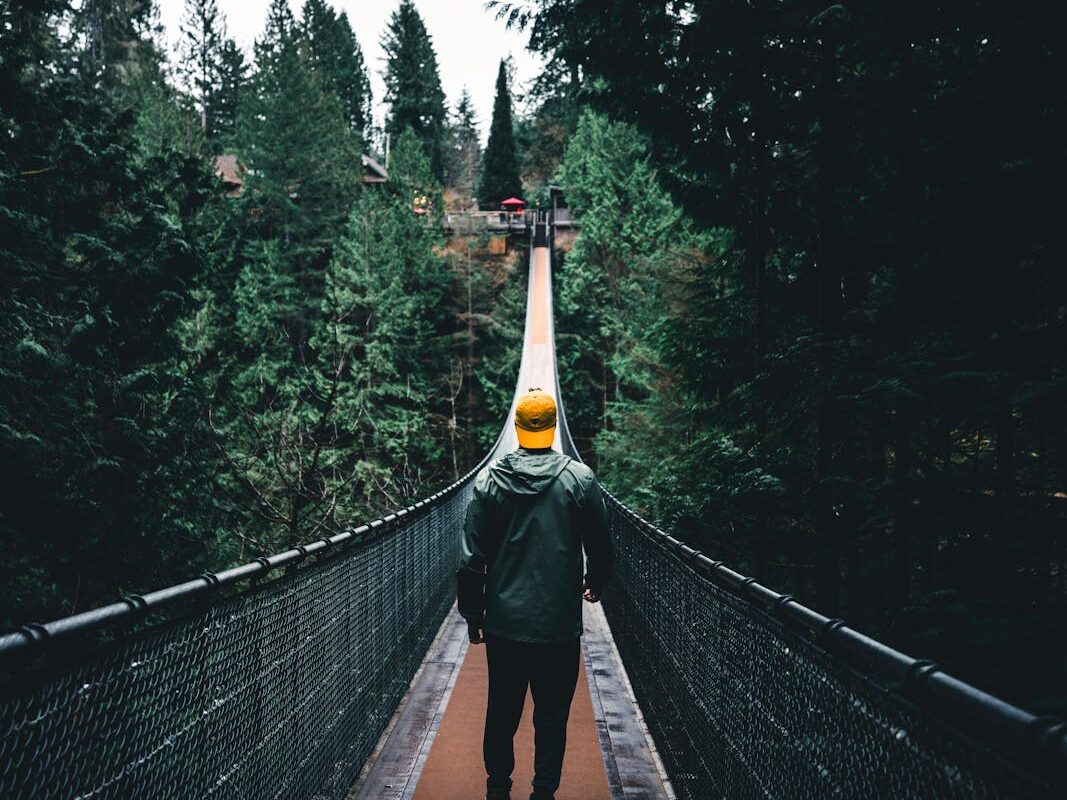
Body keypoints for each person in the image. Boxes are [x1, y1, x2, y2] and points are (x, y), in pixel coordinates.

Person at [457, 389, 615, 800]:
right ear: (553, 426)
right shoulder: (579, 479)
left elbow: (472, 557)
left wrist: (474, 614)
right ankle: (543, 792)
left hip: (505, 624)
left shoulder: (489, 481)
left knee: (502, 712)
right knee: (551, 717)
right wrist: (596, 580)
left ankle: (497, 788)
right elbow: (602, 544)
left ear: (516, 427)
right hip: (559, 625)